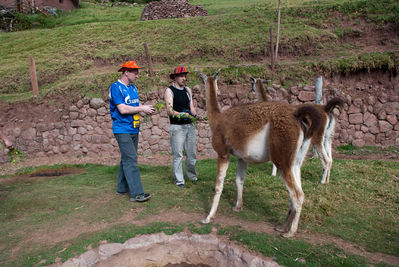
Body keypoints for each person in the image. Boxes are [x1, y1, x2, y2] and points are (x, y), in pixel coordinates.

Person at [109, 61, 155, 202]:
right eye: (135, 72)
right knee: (131, 159)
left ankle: (122, 188)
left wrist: (145, 107)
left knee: (126, 159)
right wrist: (141, 109)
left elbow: (135, 104)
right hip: (122, 129)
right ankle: (137, 194)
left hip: (133, 128)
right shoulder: (116, 87)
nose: (137, 75)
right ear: (126, 72)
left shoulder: (133, 88)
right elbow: (122, 109)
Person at [164, 66, 200, 188]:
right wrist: (181, 114)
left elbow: (192, 107)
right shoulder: (169, 91)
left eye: (185, 76)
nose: (184, 78)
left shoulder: (188, 90)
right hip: (177, 127)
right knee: (178, 154)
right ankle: (179, 181)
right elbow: (169, 110)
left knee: (191, 153)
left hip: (189, 126)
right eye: (181, 76)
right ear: (175, 77)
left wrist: (195, 114)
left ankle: (192, 175)